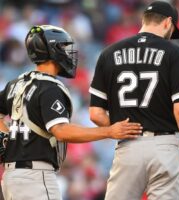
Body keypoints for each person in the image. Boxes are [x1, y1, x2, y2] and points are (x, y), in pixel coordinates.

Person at [0, 25, 143, 200]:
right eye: (63, 47)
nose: (68, 53)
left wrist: (6, 135)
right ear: (52, 50)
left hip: (11, 177)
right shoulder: (49, 88)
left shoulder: (16, 83)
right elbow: (60, 131)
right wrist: (109, 131)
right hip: (36, 177)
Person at [89, 1, 179, 199]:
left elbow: (96, 114)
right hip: (165, 145)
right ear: (168, 23)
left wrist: (119, 128)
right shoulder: (174, 53)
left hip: (128, 146)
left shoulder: (108, 53)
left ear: (144, 21)